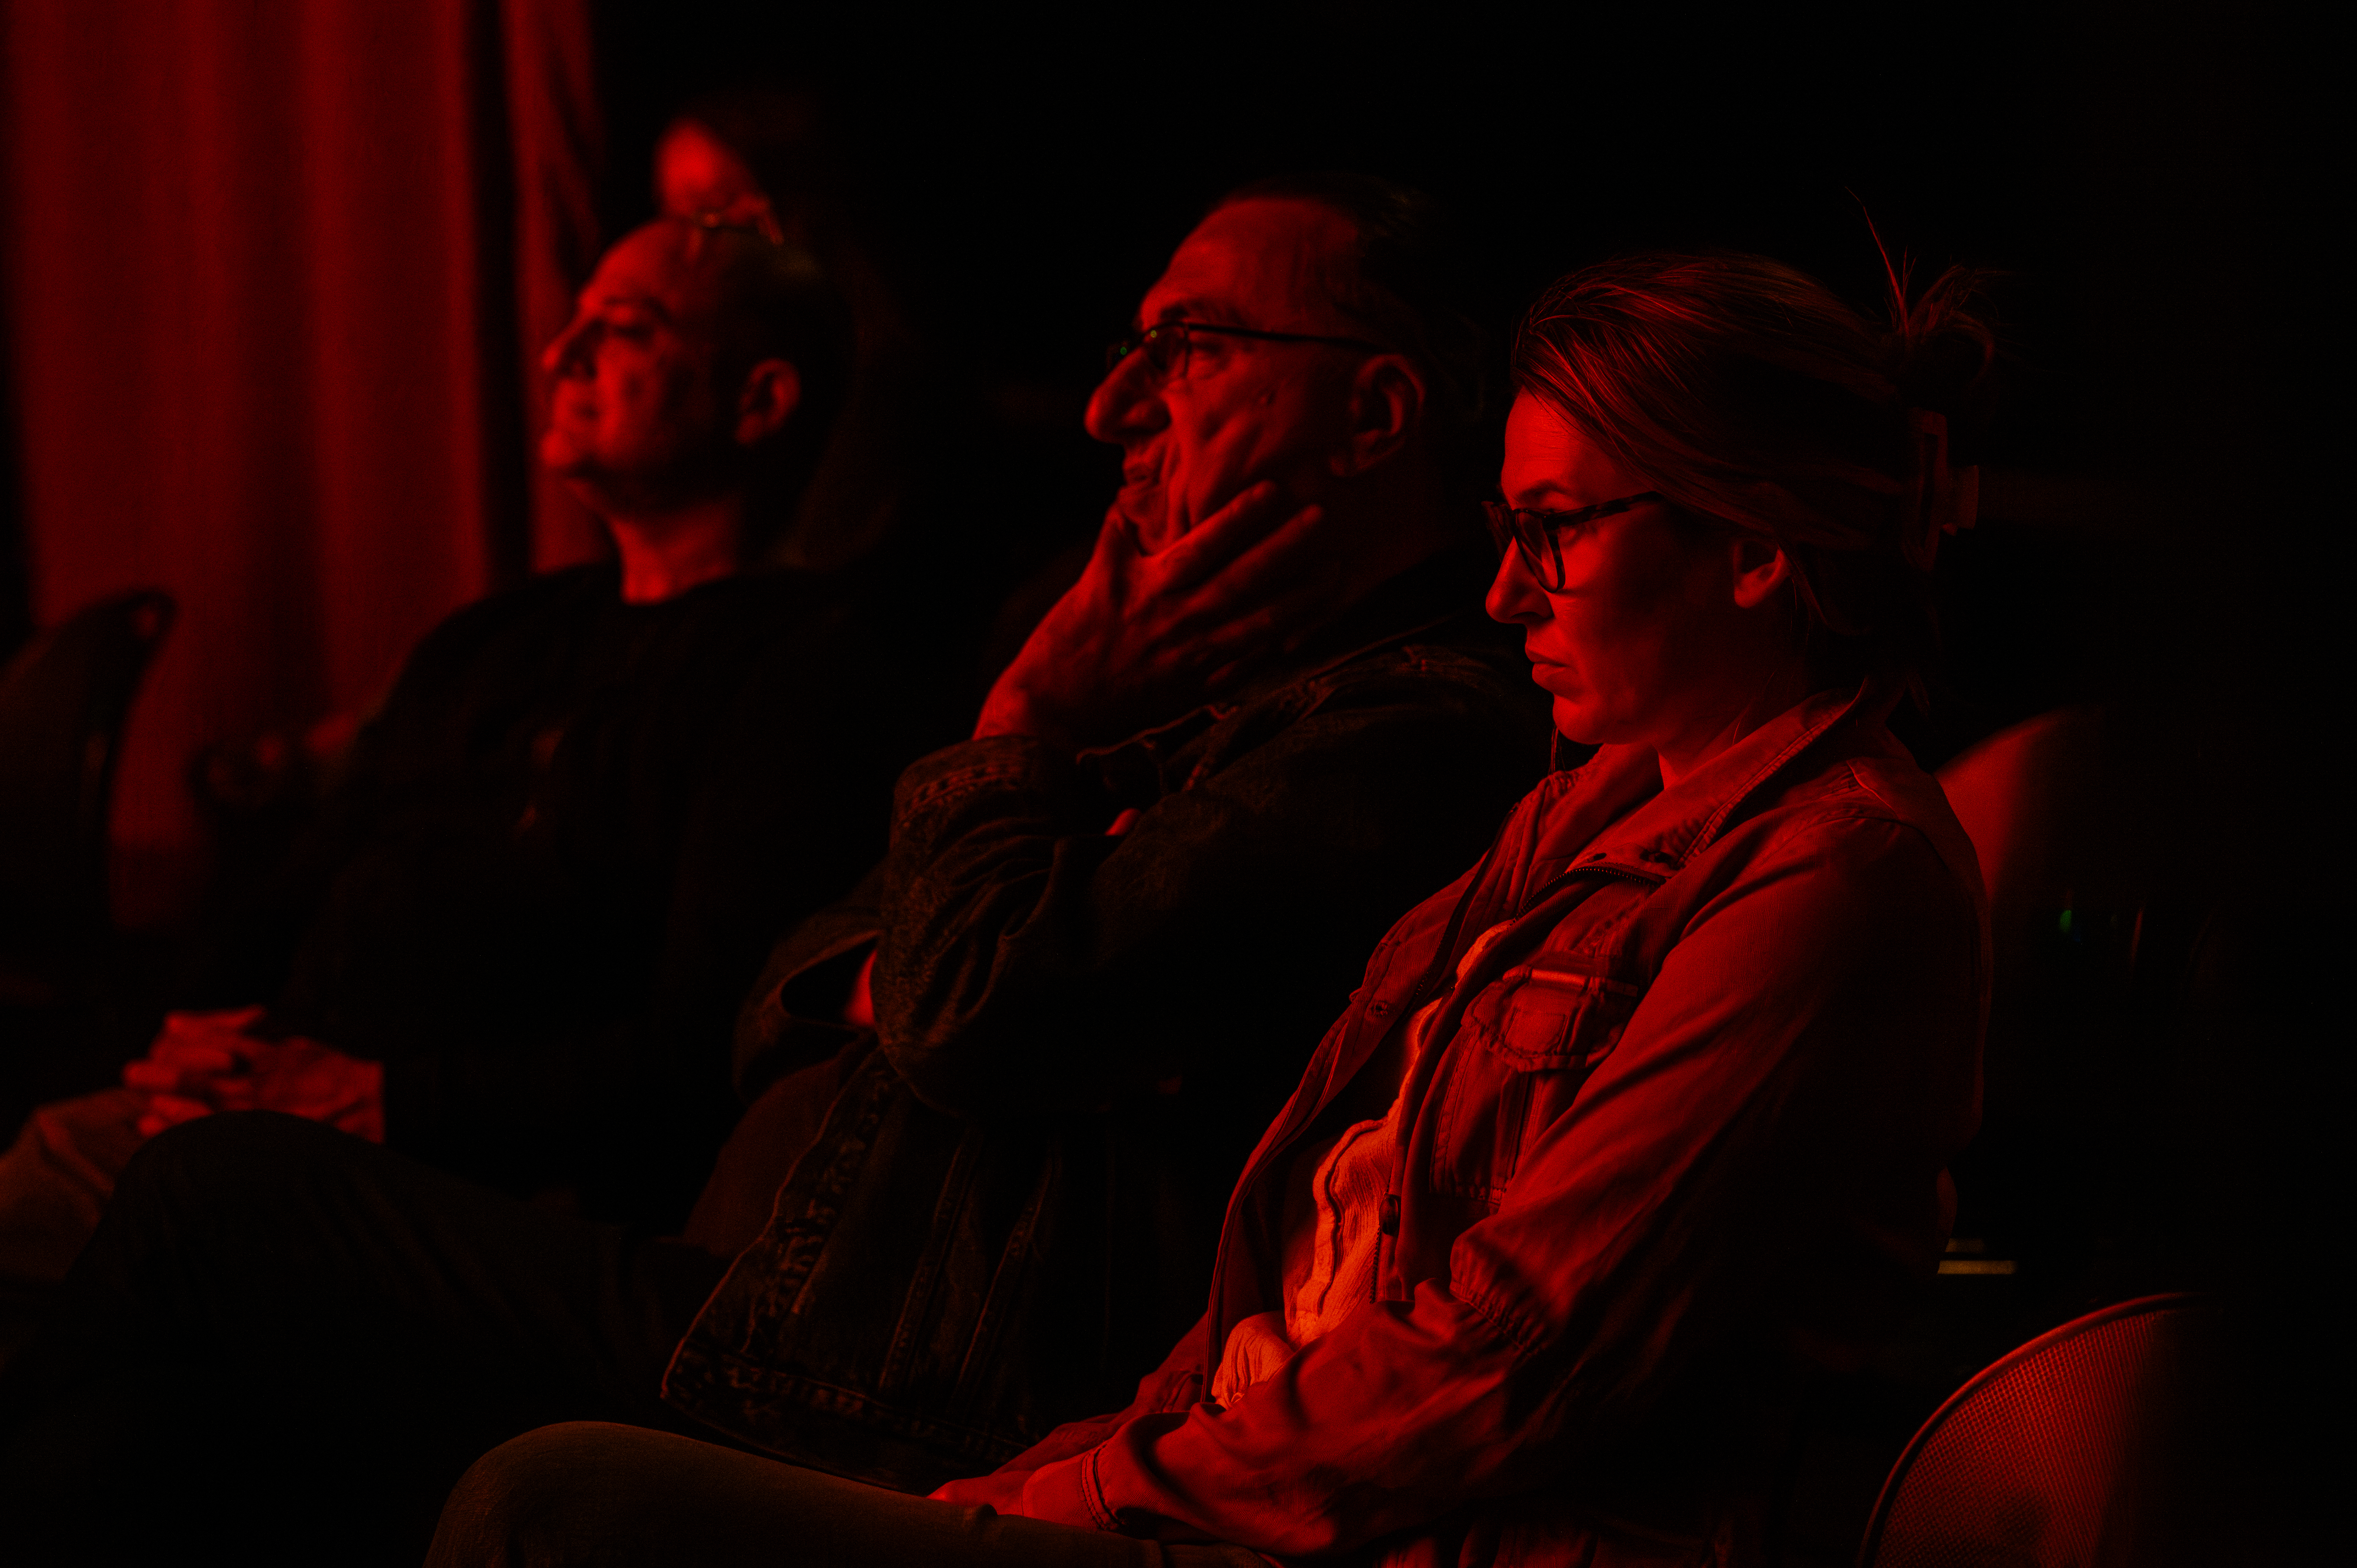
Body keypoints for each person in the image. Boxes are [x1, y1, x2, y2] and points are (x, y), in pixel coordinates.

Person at [0, 175, 1549, 1566]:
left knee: (211, 1199)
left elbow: (957, 1010)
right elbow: (786, 989)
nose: (1110, 407)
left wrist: (1018, 732)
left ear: (1375, 415)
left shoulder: (1407, 730)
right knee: (181, 1374)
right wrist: (938, 935)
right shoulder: (1174, 690)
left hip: (899, 1380)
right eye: (1126, 348)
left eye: (1188, 346)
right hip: (797, 1303)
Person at [419, 248, 1995, 1567]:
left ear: (1752, 550)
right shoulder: (1573, 809)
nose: (1506, 590)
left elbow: (1501, 1357)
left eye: (1553, 532)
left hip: (1396, 1536)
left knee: (546, 1503)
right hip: (1215, 1484)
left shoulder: (1827, 878)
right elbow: (1297, 1269)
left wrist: (1075, 1496)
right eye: (1507, 533)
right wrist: (1070, 1464)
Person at [0, 210, 958, 1274]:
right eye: (575, 319)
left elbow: (712, 1032)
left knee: (41, 1207)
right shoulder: (492, 639)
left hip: (472, 1177)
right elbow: (300, 883)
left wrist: (387, 1099)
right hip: (268, 1110)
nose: (560, 355)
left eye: (626, 326)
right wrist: (192, 1034)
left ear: (760, 400)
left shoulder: (808, 671)